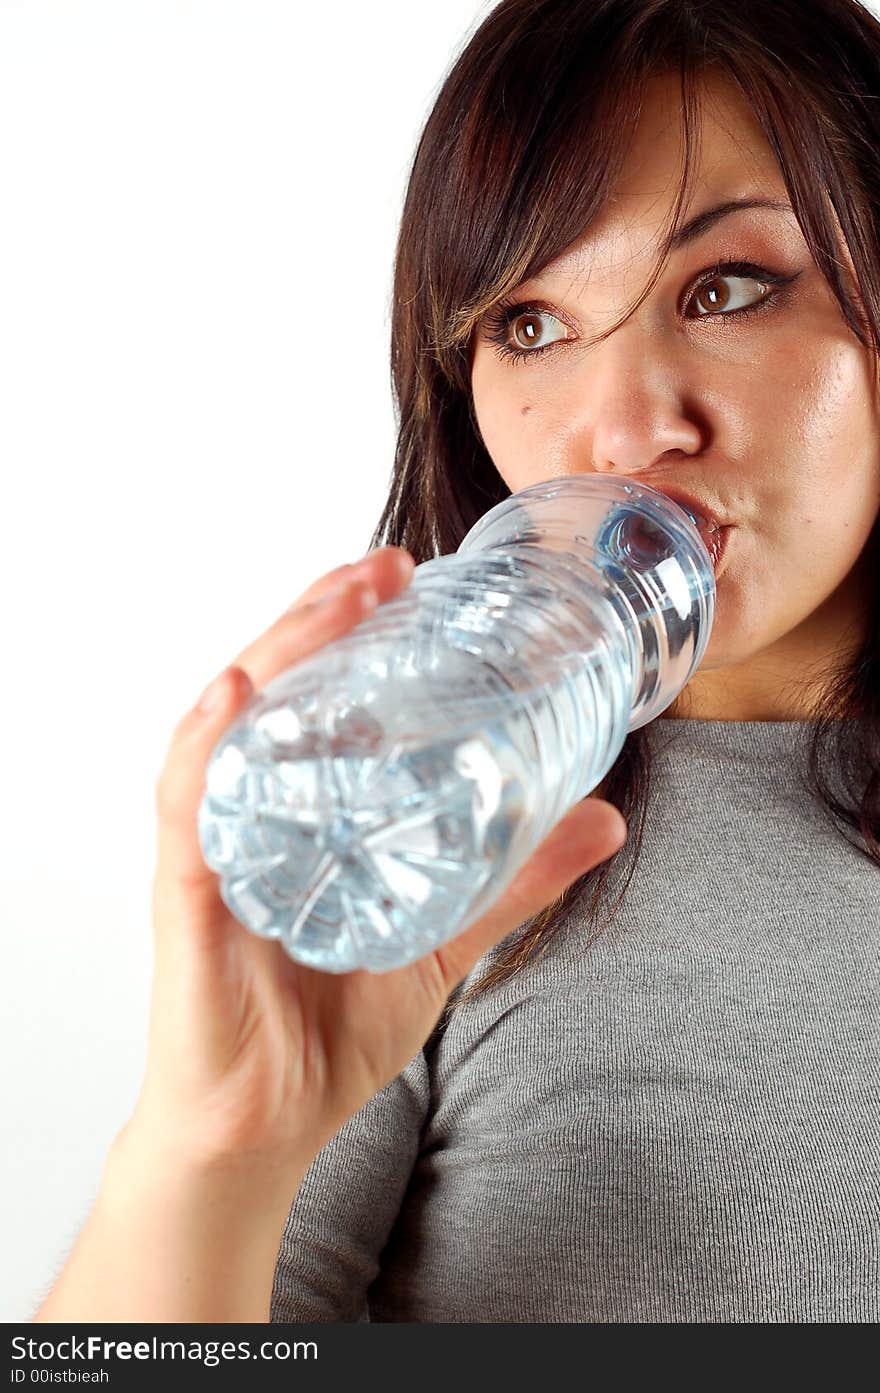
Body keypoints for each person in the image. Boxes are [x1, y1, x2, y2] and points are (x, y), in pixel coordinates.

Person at [34, 0, 880, 1324]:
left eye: (725, 288)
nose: (620, 425)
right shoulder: (434, 823)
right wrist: (211, 1153)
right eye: (532, 323)